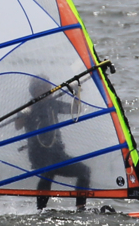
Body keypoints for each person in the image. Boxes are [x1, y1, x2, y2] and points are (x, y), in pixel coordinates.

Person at [15, 80, 92, 211]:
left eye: (49, 88)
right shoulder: (29, 107)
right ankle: (40, 210)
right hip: (38, 154)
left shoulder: (53, 104)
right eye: (44, 89)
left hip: (57, 153)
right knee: (48, 171)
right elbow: (18, 126)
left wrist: (76, 93)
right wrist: (25, 112)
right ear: (35, 92)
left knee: (84, 171)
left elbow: (76, 109)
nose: (49, 92)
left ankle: (81, 207)